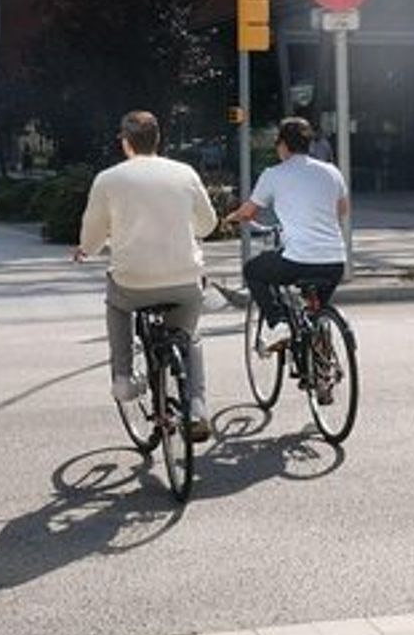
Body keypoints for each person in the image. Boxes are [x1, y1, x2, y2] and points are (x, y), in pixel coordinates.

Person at [73, 110, 218, 442]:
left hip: (132, 282)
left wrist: (88, 248)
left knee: (117, 305)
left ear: (126, 143)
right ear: (159, 140)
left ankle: (123, 378)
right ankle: (196, 407)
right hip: (185, 281)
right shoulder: (185, 173)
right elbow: (207, 225)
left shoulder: (108, 179)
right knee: (188, 336)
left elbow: (92, 237)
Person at [224, 117, 348, 357]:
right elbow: (342, 210)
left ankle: (279, 323)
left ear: (282, 145)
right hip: (335, 261)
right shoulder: (332, 172)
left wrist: (232, 218)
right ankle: (321, 357)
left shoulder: (273, 174)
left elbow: (249, 211)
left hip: (298, 260)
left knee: (254, 271)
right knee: (315, 312)